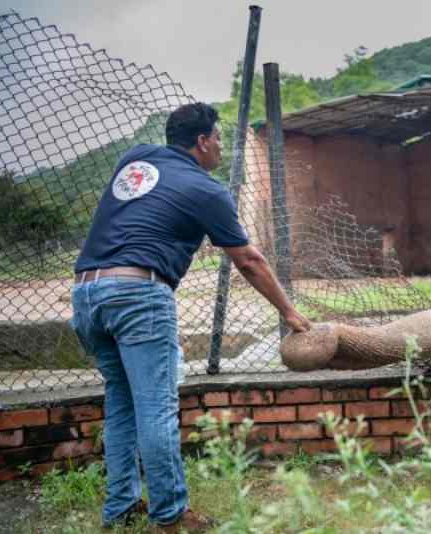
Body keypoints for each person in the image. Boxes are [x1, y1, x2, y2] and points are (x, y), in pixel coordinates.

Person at [71, 102, 311, 532]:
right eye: (218, 138)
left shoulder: (134, 158)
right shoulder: (208, 190)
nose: (221, 147)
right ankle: (170, 516)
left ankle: (121, 509)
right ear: (201, 142)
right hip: (138, 293)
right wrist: (290, 312)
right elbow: (250, 261)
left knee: (121, 404)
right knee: (156, 408)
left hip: (87, 293)